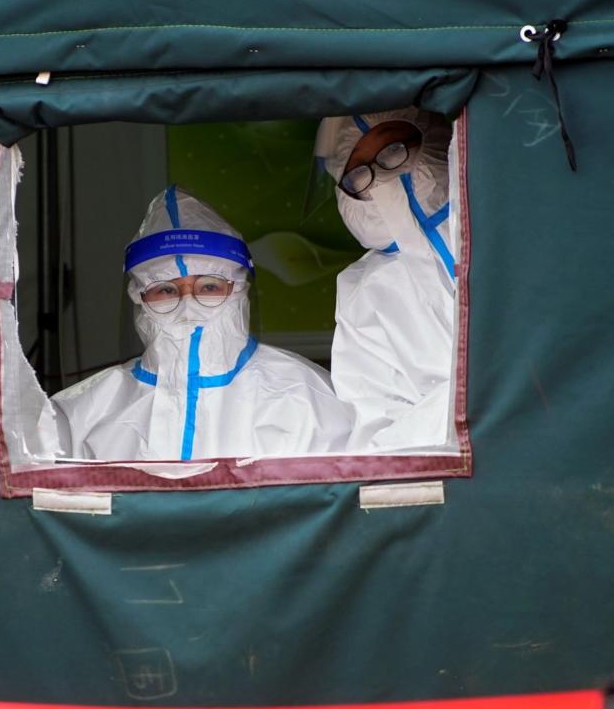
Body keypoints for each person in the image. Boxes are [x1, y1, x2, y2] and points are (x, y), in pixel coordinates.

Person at [52, 186, 351, 461]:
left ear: (240, 290)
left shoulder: (308, 398)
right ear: (139, 299)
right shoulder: (78, 417)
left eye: (209, 287)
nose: (188, 305)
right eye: (165, 290)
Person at [315, 107, 458, 452]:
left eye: (394, 149)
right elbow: (378, 435)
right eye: (358, 175)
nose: (382, 182)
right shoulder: (363, 295)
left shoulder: (514, 224)